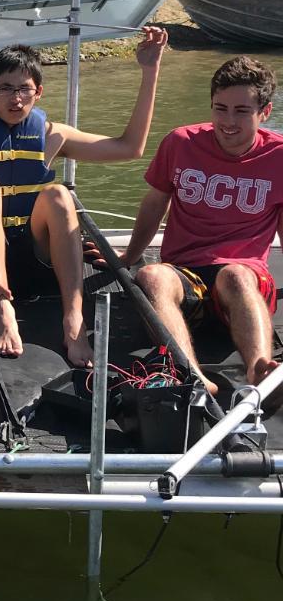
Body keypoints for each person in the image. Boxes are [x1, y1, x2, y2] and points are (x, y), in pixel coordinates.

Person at [0, 26, 168, 366]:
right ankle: (2, 311)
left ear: (39, 93)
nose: (15, 98)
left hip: (35, 257)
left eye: (24, 90)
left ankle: (73, 321)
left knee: (59, 194)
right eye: (5, 88)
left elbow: (130, 147)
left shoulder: (52, 133)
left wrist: (150, 72)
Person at [117, 56, 283, 397]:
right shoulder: (180, 143)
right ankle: (190, 374)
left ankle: (260, 370)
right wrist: (128, 257)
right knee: (150, 275)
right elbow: (154, 204)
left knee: (234, 275)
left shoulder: (278, 156)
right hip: (186, 278)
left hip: (242, 281)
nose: (228, 121)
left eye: (241, 111)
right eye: (220, 108)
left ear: (264, 112)